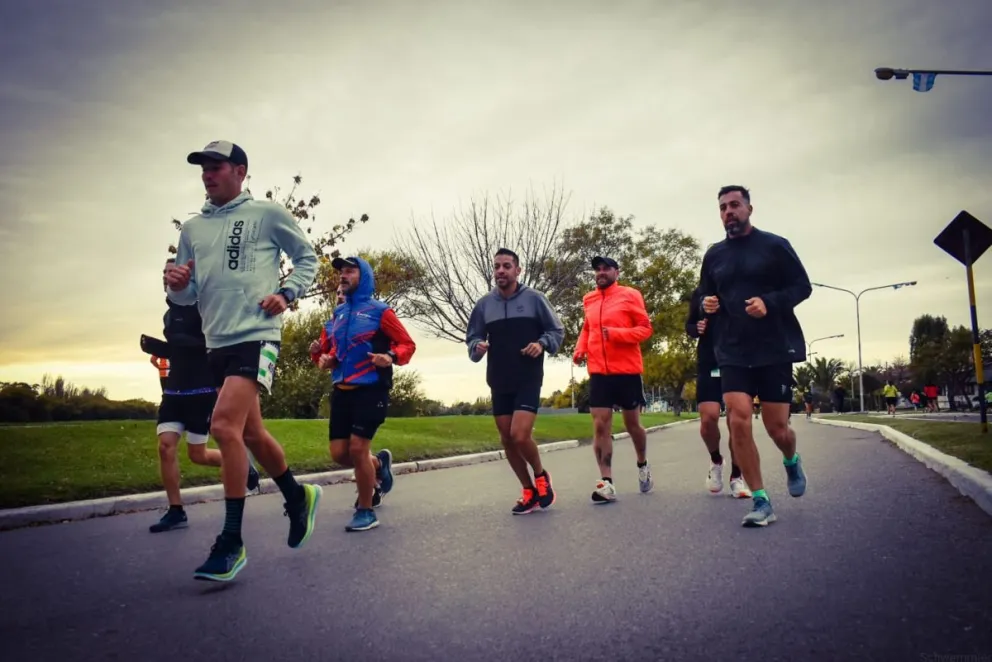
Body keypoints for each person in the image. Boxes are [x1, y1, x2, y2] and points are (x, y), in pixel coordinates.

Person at [167, 140, 322, 582]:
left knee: (222, 428)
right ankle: (297, 497)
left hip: (258, 334)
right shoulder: (192, 228)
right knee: (251, 432)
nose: (206, 174)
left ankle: (231, 541)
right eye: (202, 168)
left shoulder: (268, 213)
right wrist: (176, 284)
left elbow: (308, 258)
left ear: (240, 171)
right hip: (215, 341)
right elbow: (186, 294)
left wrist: (287, 292)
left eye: (215, 167)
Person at [698, 184, 811, 527]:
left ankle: (791, 459)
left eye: (734, 205)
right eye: (723, 207)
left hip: (773, 347)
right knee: (738, 418)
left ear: (749, 208)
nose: (728, 212)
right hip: (731, 349)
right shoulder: (714, 254)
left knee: (778, 428)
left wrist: (769, 302)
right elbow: (706, 292)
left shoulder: (775, 246)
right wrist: (707, 303)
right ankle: (761, 500)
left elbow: (802, 287)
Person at [141, 259, 260, 533]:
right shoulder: (169, 315)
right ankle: (176, 511)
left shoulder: (204, 307)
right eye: (164, 272)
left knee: (198, 455)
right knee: (165, 447)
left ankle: (243, 464)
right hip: (174, 390)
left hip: (202, 390)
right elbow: (178, 349)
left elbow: (210, 344)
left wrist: (177, 346)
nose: (166, 276)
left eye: (171, 271)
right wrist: (159, 349)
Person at [310, 256, 416, 532]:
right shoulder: (339, 315)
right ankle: (379, 465)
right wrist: (325, 360)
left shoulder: (380, 312)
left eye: (349, 271)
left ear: (363, 276)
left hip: (372, 388)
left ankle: (366, 511)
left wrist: (390, 356)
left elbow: (407, 344)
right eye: (340, 272)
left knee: (358, 448)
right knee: (339, 454)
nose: (342, 276)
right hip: (342, 391)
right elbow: (333, 354)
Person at [466, 248, 565, 515]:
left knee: (519, 435)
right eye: (497, 266)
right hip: (498, 377)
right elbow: (472, 337)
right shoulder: (484, 304)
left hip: (527, 376)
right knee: (507, 440)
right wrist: (477, 346)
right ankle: (528, 490)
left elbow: (556, 330)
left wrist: (541, 343)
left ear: (517, 271)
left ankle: (541, 476)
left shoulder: (535, 299)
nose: (500, 271)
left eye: (506, 266)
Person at [572, 256, 653, 503]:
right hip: (599, 372)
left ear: (617, 272)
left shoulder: (630, 295)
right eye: (597, 269)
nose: (601, 272)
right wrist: (580, 349)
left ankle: (642, 463)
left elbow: (645, 328)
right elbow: (588, 328)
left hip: (627, 371)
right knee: (600, 425)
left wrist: (617, 334)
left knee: (632, 425)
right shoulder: (589, 299)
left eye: (606, 268)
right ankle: (606, 482)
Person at [686, 286, 750, 498]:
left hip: (738, 359)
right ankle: (716, 460)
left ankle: (737, 476)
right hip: (709, 361)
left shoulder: (745, 287)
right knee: (708, 418)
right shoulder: (701, 293)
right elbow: (690, 325)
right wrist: (697, 328)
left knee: (736, 421)